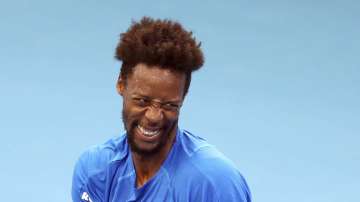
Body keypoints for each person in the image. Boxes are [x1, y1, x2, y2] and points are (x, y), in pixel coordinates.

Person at [72, 16, 251, 202]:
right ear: (121, 85)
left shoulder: (216, 183)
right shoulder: (95, 171)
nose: (154, 117)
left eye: (169, 105)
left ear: (183, 98)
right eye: (142, 101)